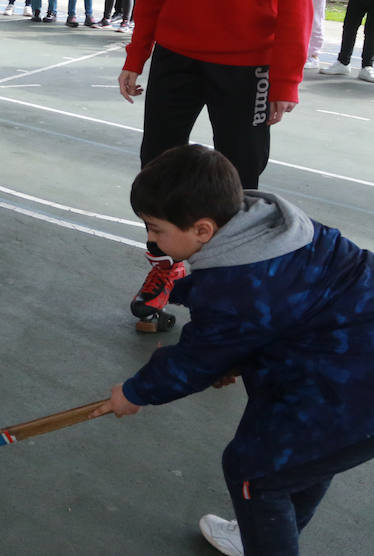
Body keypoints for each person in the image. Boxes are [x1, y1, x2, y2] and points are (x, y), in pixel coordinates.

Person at [94, 144, 374, 556]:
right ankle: (265, 533)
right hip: (340, 361)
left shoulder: (238, 286)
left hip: (351, 385)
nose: (151, 241)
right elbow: (283, 315)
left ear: (203, 230)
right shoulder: (270, 232)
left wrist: (135, 393)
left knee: (254, 474)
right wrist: (237, 358)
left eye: (156, 229)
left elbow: (194, 360)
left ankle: (264, 540)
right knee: (299, 462)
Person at [119, 0, 311, 333]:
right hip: (178, 56)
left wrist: (285, 78)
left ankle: (233, 293)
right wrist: (138, 54)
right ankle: (163, 272)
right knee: (156, 168)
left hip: (245, 64)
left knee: (241, 182)